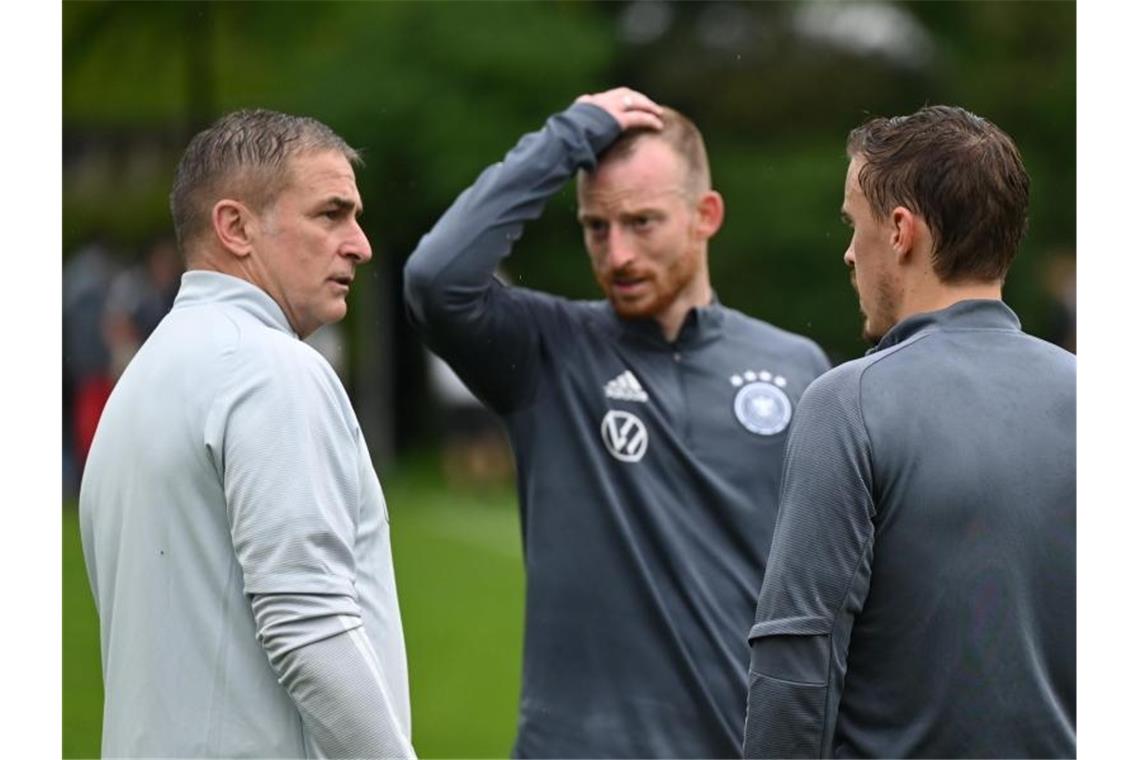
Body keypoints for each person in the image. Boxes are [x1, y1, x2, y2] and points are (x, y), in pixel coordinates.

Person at [404, 87, 830, 757]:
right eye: (596, 228)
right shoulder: (547, 350)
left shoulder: (796, 367)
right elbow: (436, 279)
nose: (618, 253)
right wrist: (568, 135)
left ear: (705, 215)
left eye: (642, 222)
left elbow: (828, 597)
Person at [80, 109, 415, 758]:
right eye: (331, 214)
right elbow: (310, 628)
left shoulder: (145, 377)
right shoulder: (271, 370)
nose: (360, 243)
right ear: (235, 227)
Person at [742, 106, 1075, 758]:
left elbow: (797, 661)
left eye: (852, 224)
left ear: (900, 231)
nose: (847, 251)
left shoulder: (848, 403)